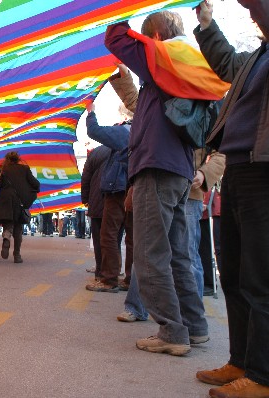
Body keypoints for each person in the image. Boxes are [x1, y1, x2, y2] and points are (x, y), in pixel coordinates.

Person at [105, 9, 228, 355]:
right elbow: (141, 104)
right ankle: (195, 327)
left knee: (149, 254)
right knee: (176, 256)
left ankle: (172, 332)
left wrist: (118, 11)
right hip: (178, 170)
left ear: (155, 38)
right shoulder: (190, 67)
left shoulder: (166, 58)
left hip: (156, 168)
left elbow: (114, 38)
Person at [192, 1, 269, 396]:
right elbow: (225, 62)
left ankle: (262, 376)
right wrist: (206, 25)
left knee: (261, 278)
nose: (255, 17)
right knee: (236, 276)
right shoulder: (256, 57)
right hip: (238, 168)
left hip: (263, 171)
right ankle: (239, 362)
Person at [84, 101, 130, 293]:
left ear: (124, 116)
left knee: (108, 235)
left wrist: (91, 113)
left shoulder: (124, 131)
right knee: (133, 239)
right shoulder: (147, 130)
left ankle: (109, 278)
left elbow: (94, 131)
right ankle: (130, 280)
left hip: (118, 190)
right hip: (136, 188)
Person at [186, 149, 225, 298]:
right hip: (204, 202)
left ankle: (193, 310)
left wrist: (204, 174)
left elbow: (220, 157)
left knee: (193, 252)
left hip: (197, 195)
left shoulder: (206, 130)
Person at [0, 151, 40, 263]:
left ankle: (6, 237)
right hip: (20, 201)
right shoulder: (25, 169)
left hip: (5, 200)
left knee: (8, 223)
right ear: (17, 159)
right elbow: (35, 183)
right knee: (18, 228)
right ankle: (17, 255)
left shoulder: (2, 169)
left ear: (6, 159)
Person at [81, 145, 112, 278]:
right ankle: (114, 270)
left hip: (97, 200)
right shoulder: (127, 146)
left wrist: (86, 199)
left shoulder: (96, 152)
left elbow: (86, 178)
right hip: (119, 199)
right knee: (114, 237)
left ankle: (101, 270)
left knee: (99, 239)